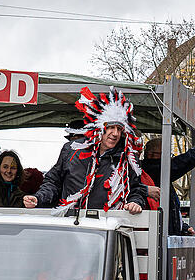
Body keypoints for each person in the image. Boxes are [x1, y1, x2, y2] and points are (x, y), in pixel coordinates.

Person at [25, 87, 146, 215]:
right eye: (110, 127)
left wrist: (135, 202)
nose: (115, 133)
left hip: (108, 222)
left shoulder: (127, 158)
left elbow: (136, 189)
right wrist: (39, 198)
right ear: (98, 127)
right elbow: (53, 182)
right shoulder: (72, 150)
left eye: (119, 129)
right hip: (71, 221)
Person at [139, 131, 195, 236]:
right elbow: (179, 164)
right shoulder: (153, 170)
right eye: (166, 154)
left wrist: (183, 227)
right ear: (150, 154)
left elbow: (171, 214)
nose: (170, 158)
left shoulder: (159, 175)